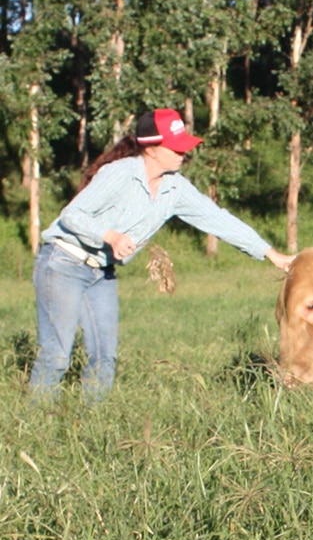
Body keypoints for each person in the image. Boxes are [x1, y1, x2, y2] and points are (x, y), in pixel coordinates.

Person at [29, 108, 293, 402]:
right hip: (63, 263)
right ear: (153, 148)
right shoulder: (121, 173)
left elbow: (218, 219)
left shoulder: (174, 188)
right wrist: (111, 236)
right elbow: (72, 215)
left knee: (105, 357)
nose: (184, 152)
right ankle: (40, 419)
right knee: (56, 354)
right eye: (176, 146)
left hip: (102, 272)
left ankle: (90, 422)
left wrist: (271, 253)